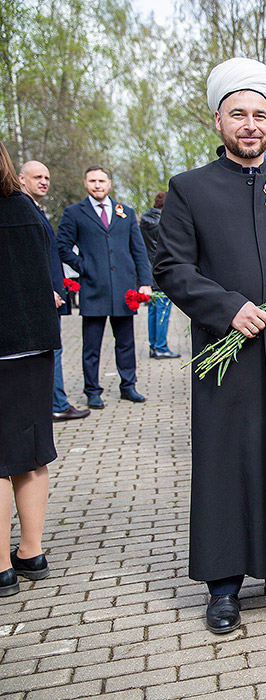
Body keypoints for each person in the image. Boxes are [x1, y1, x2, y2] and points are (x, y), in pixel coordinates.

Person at [153, 57, 266, 634]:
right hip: (226, 352)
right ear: (218, 121)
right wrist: (227, 307)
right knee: (228, 463)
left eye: (260, 114)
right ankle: (225, 584)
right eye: (238, 114)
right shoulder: (189, 191)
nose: (250, 123)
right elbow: (172, 267)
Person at [0, 140, 61, 597]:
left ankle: (1, 565)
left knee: (0, 462)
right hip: (34, 345)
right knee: (33, 451)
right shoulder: (26, 209)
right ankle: (31, 551)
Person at [56, 166, 152, 408]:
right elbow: (62, 246)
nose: (97, 185)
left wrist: (145, 283)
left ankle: (128, 386)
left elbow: (139, 250)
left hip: (123, 289)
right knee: (91, 346)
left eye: (101, 180)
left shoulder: (126, 213)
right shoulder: (74, 213)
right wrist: (84, 266)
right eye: (92, 181)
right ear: (85, 183)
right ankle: (92, 390)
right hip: (93, 288)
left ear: (109, 183)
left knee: (126, 342)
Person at [18, 160, 90, 421]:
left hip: (51, 294)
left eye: (47, 177)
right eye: (37, 177)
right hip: (43, 296)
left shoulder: (35, 209)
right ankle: (56, 404)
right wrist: (47, 288)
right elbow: (30, 256)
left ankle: (54, 402)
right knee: (52, 350)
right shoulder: (23, 210)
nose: (44, 181)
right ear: (21, 179)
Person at [138, 192, 180, 359]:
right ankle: (161, 347)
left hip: (149, 272)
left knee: (153, 311)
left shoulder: (146, 221)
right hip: (162, 272)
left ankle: (153, 345)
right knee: (163, 311)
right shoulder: (164, 221)